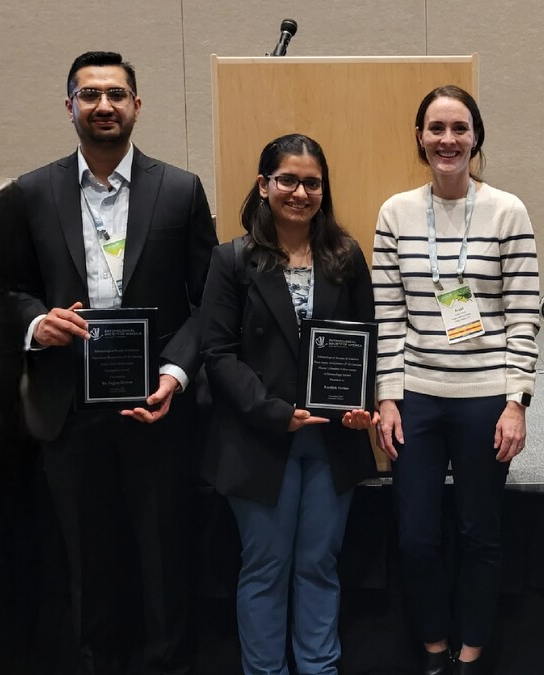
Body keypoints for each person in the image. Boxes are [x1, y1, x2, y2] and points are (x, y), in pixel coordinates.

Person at [0, 51, 217, 674]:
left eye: (116, 94)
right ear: (68, 105)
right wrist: (38, 324)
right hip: (70, 412)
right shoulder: (32, 192)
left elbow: (207, 301)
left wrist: (175, 373)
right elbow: (4, 290)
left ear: (136, 107)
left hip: (156, 408)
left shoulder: (179, 189)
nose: (103, 105)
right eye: (89, 94)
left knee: (165, 571)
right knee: (90, 576)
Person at [372, 85, 539, 675]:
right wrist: (387, 397)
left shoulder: (507, 210)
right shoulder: (395, 212)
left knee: (478, 535)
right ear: (420, 137)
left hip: (485, 397)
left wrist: (517, 401)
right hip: (416, 396)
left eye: (459, 128)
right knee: (416, 537)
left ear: (476, 137)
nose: (448, 140)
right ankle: (434, 649)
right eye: (436, 128)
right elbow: (388, 316)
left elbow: (523, 313)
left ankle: (470, 655)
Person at [198, 134, 377, 675]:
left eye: (312, 182)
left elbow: (366, 339)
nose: (300, 192)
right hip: (258, 440)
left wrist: (361, 402)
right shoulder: (231, 259)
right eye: (288, 180)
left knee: (319, 566)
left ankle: (319, 669)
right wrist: (275, 411)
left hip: (330, 441)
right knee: (266, 567)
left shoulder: (345, 256)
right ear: (264, 184)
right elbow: (217, 352)